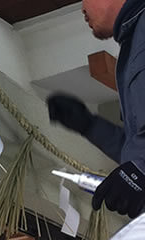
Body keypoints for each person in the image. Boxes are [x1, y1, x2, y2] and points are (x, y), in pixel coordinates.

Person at [47, 0, 145, 220]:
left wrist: (140, 172)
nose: (82, 8)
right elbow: (136, 148)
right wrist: (89, 125)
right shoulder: (134, 43)